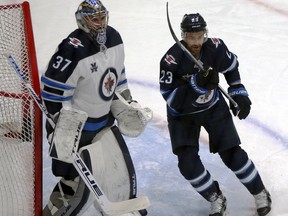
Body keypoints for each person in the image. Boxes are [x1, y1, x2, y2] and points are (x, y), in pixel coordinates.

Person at [41, 1, 150, 215]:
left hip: (104, 126)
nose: (100, 23)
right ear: (83, 20)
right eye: (95, 18)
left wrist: (126, 103)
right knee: (75, 187)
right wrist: (62, 127)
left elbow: (118, 77)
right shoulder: (71, 48)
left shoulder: (115, 38)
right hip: (76, 131)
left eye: (103, 17)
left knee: (121, 176)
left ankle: (124, 210)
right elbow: (52, 91)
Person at [159, 13, 272, 216]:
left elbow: (231, 68)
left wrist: (238, 91)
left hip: (213, 109)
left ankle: (260, 192)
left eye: (199, 36)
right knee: (187, 164)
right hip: (182, 116)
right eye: (191, 37)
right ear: (183, 35)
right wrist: (196, 84)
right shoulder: (171, 60)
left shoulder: (215, 47)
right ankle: (215, 196)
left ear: (205, 34)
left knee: (232, 155)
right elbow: (172, 99)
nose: (196, 42)